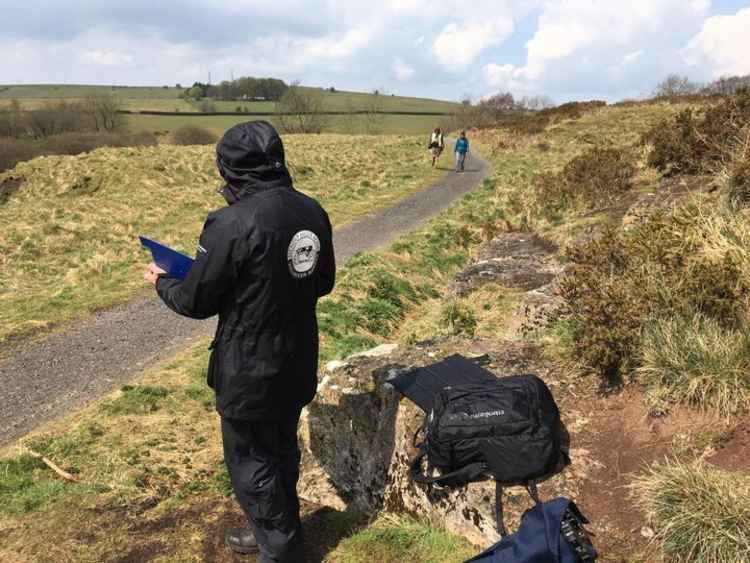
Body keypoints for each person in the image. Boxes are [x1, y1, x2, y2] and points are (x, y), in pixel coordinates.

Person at [144, 120, 335, 562]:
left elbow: (196, 301)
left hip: (249, 368)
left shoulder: (230, 222)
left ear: (228, 168)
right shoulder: (312, 210)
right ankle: (276, 533)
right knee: (282, 446)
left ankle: (281, 550)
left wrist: (162, 280)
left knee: (251, 462)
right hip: (298, 356)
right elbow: (322, 282)